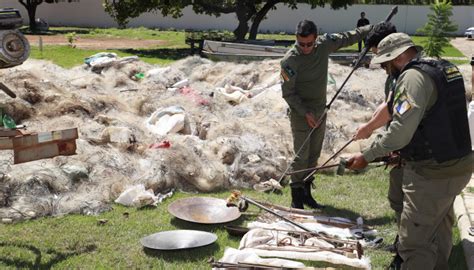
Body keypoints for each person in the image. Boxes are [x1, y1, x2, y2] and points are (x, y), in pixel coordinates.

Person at [347, 33, 473, 269]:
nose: (386, 71)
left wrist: (366, 155)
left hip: (432, 173)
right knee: (439, 229)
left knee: (415, 243)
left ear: (398, 58)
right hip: (457, 165)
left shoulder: (413, 78)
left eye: (385, 64)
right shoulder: (443, 68)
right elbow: (437, 120)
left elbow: (400, 131)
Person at [280, 19, 373, 209]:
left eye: (309, 44)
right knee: (301, 156)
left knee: (314, 153)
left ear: (316, 38)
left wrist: (371, 28)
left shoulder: (324, 44)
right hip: (300, 112)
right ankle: (296, 197)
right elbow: (287, 93)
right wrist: (305, 112)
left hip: (320, 110)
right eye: (301, 43)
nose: (305, 48)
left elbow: (348, 37)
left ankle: (307, 193)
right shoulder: (290, 60)